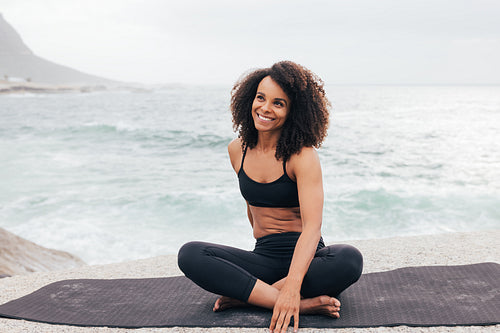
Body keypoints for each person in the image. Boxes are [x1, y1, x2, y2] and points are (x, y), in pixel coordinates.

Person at [178, 61, 363, 333]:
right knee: (191, 254)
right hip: (263, 259)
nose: (265, 108)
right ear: (250, 99)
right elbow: (252, 213)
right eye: (260, 98)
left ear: (292, 112)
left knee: (349, 258)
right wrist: (291, 298)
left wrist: (291, 285)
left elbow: (312, 228)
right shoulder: (236, 150)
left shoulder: (302, 155)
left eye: (278, 103)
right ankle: (300, 303)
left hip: (308, 262)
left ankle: (253, 296)